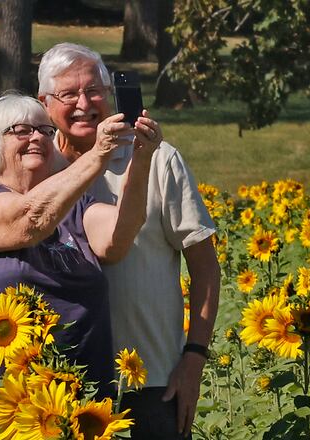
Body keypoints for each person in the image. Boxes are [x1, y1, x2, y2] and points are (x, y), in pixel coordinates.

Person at [38, 43, 221, 439]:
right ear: (45, 103)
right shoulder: (37, 169)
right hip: (57, 384)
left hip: (150, 379)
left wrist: (194, 360)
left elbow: (205, 267)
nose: (84, 103)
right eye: (68, 94)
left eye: (95, 90)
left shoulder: (157, 159)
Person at [0, 92, 161, 440]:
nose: (36, 137)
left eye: (44, 131)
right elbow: (30, 220)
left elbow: (120, 235)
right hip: (9, 395)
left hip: (84, 396)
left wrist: (141, 158)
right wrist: (98, 153)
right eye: (20, 130)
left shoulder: (76, 208)